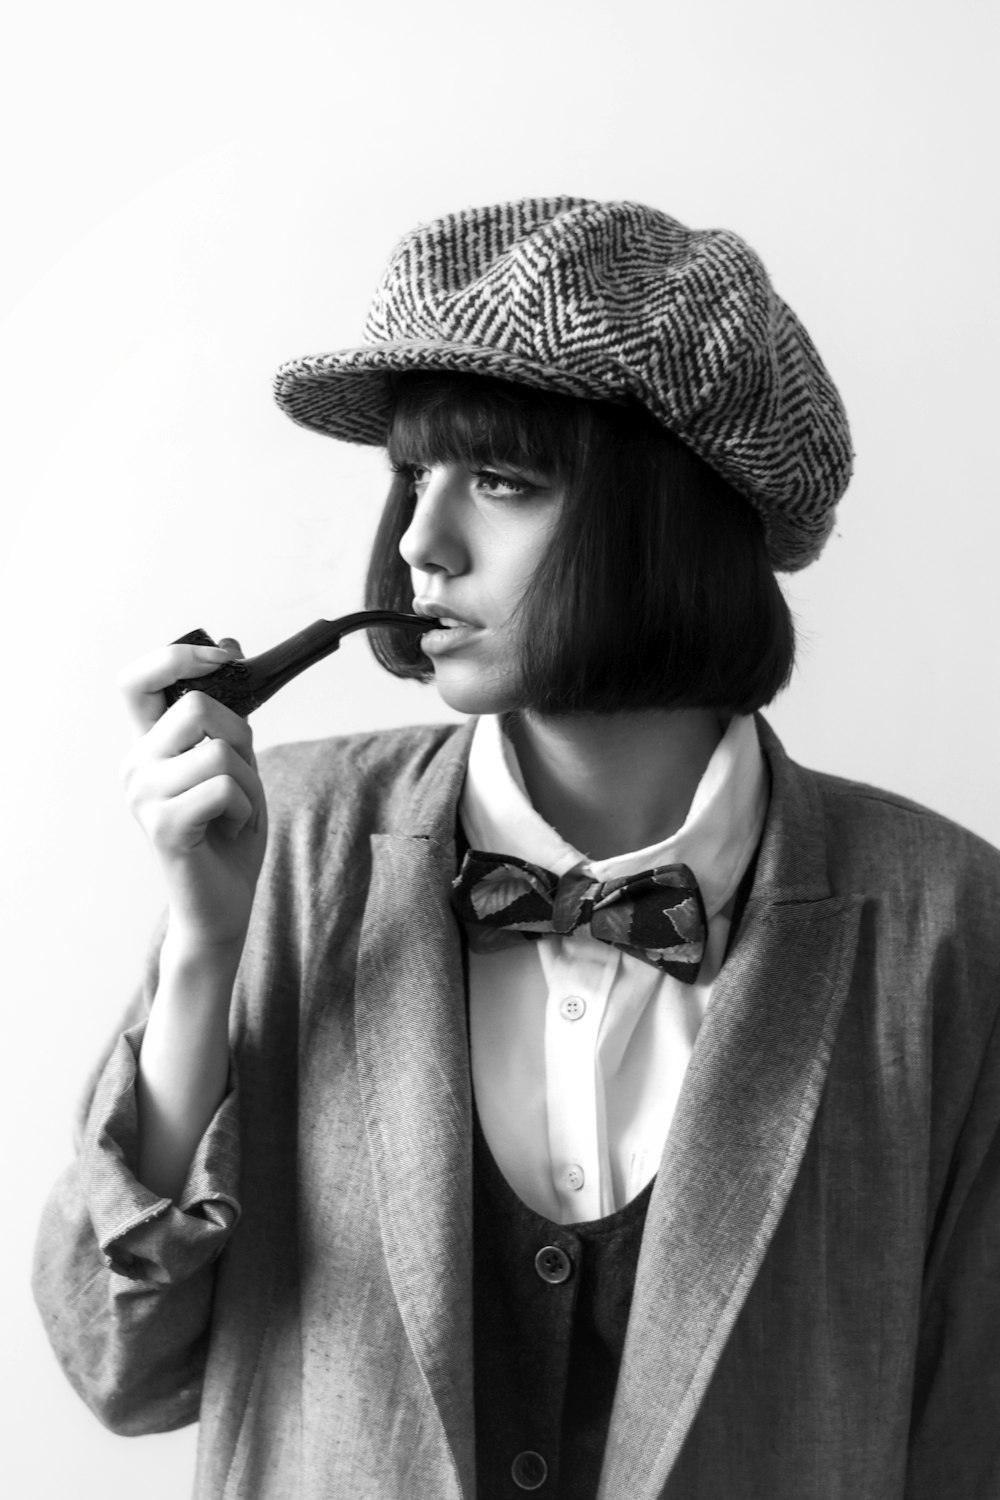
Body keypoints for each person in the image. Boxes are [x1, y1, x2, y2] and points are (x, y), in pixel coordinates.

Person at [33, 198, 1000, 1499]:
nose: (424, 543)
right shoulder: (292, 842)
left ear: (673, 520)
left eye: (500, 482)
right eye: (412, 478)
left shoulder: (943, 923)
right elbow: (120, 1364)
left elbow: (971, 1436)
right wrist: (209, 946)